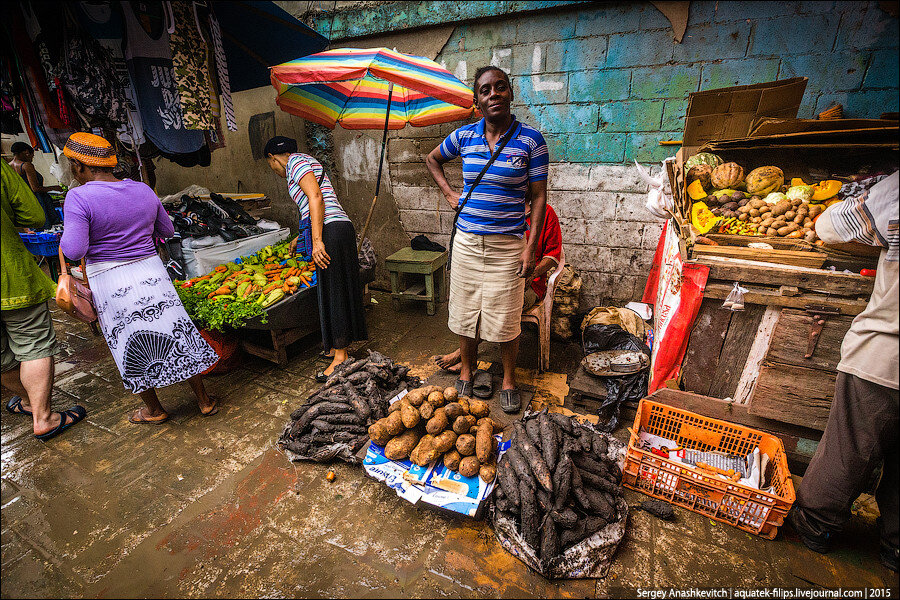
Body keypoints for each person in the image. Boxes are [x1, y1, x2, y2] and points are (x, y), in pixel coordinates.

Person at [58, 132, 219, 424]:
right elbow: (168, 231)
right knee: (175, 331)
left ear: (80, 166)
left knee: (128, 342)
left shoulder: (77, 197)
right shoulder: (143, 190)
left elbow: (74, 250)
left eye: (71, 165)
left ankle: (155, 410)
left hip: (110, 280)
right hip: (151, 272)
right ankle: (204, 401)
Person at [787, 171, 898, 572]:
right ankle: (896, 547)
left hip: (886, 353)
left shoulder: (898, 191)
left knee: (849, 446)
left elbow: (831, 227)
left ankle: (815, 525)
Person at [425, 66, 549, 413]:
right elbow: (432, 159)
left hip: (508, 245)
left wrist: (531, 245)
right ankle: (466, 367)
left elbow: (538, 196)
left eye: (500, 87)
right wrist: (449, 193)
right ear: (477, 100)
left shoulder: (531, 141)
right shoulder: (464, 137)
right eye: (485, 90)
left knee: (506, 317)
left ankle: (508, 379)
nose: (493, 94)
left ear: (510, 93)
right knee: (465, 311)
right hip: (466, 242)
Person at [263, 136, 368, 381]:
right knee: (334, 288)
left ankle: (341, 357)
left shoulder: (295, 162)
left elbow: (316, 198)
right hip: (335, 228)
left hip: (332, 231)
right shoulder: (301, 164)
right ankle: (337, 347)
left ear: (273, 157)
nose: (273, 169)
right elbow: (312, 206)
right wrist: (302, 237)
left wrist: (318, 240)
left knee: (335, 291)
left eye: (270, 164)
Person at [2, 159, 86, 440]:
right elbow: (34, 216)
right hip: (10, 277)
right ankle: (43, 417)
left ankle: (27, 402)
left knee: (2, 356)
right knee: (33, 344)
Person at [432, 200, 562, 374]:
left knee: (496, 308)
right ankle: (469, 362)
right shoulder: (500, 208)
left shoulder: (546, 213)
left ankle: (462, 356)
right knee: (472, 304)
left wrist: (533, 273)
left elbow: (553, 255)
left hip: (530, 286)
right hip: (494, 279)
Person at [8, 141, 63, 228]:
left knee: (36, 228)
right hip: (38, 200)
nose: (32, 159)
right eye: (32, 156)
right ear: (26, 152)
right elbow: (35, 188)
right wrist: (55, 187)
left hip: (24, 201)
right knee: (48, 227)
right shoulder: (26, 165)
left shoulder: (8, 166)